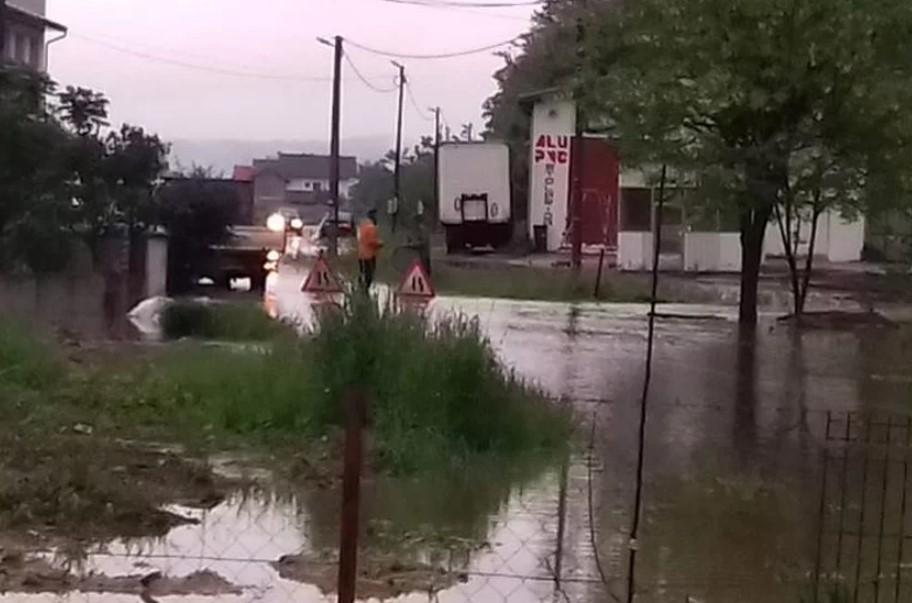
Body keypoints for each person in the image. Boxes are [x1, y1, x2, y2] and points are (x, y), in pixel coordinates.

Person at [358, 210, 383, 290]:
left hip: (361, 254)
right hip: (369, 255)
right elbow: (371, 241)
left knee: (363, 273)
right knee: (369, 275)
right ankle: (365, 291)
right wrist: (380, 243)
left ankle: (360, 290)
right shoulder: (371, 227)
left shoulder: (363, 226)